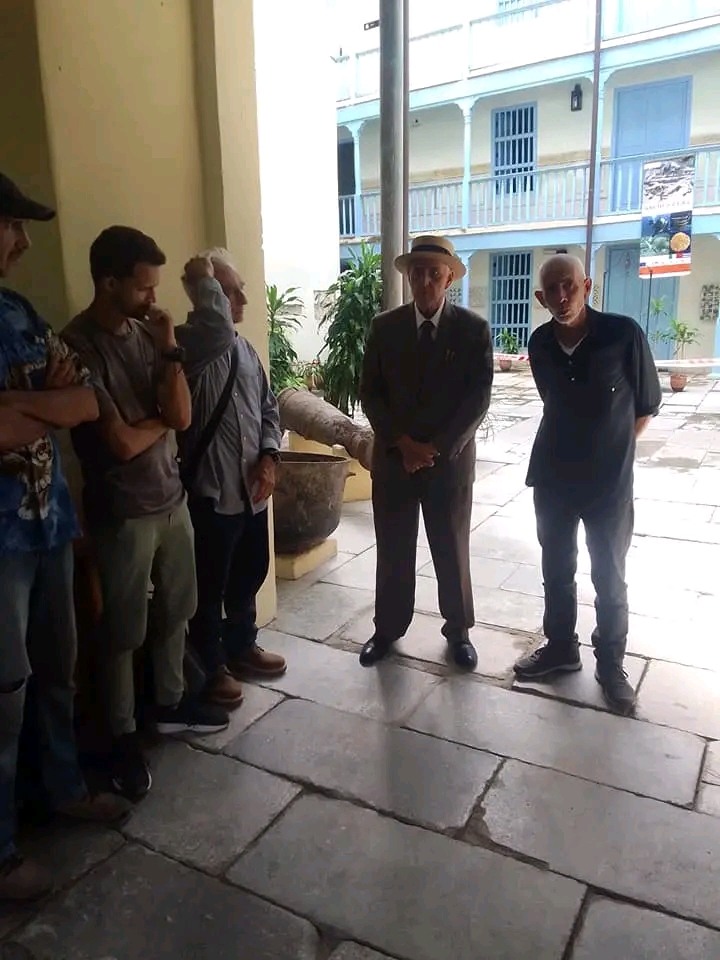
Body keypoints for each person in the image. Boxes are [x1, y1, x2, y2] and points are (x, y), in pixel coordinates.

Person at [62, 227, 228, 802]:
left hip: (169, 499)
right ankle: (122, 737)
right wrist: (157, 421)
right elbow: (120, 443)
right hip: (122, 512)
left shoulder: (145, 335)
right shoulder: (77, 346)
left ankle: (171, 704)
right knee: (122, 633)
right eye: (142, 288)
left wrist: (168, 351)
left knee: (176, 612)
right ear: (108, 283)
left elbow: (178, 415)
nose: (153, 299)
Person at [0, 174, 130, 901]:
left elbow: (84, 400)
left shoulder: (17, 310)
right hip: (2, 544)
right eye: (10, 226)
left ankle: (61, 790)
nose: (22, 240)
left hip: (48, 524)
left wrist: (27, 403)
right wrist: (40, 403)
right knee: (4, 693)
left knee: (57, 669)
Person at [513, 254, 662, 714]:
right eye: (551, 290)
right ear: (540, 297)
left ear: (587, 285)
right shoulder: (539, 344)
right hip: (553, 478)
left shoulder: (622, 334)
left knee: (609, 575)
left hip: (608, 485)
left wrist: (610, 451)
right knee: (556, 569)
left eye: (569, 286)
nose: (561, 296)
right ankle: (560, 648)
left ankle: (611, 663)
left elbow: (644, 406)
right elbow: (552, 402)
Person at [359, 235, 494, 669]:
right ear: (409, 276)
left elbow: (478, 399)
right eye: (417, 271)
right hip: (395, 461)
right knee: (394, 548)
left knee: (451, 548)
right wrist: (403, 443)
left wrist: (435, 449)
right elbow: (371, 394)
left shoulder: (473, 330)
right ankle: (387, 629)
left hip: (448, 464)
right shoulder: (385, 327)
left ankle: (458, 631)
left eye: (434, 272)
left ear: (449, 277)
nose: (425, 280)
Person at [177, 249, 286, 707]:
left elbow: (267, 408)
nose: (241, 299)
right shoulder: (192, 346)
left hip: (251, 493)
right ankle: (213, 662)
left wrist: (269, 456)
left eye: (240, 289)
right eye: (228, 291)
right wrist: (201, 278)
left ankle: (242, 643)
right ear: (207, 297)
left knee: (250, 570)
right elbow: (217, 326)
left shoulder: (245, 351)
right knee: (210, 586)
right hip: (212, 490)